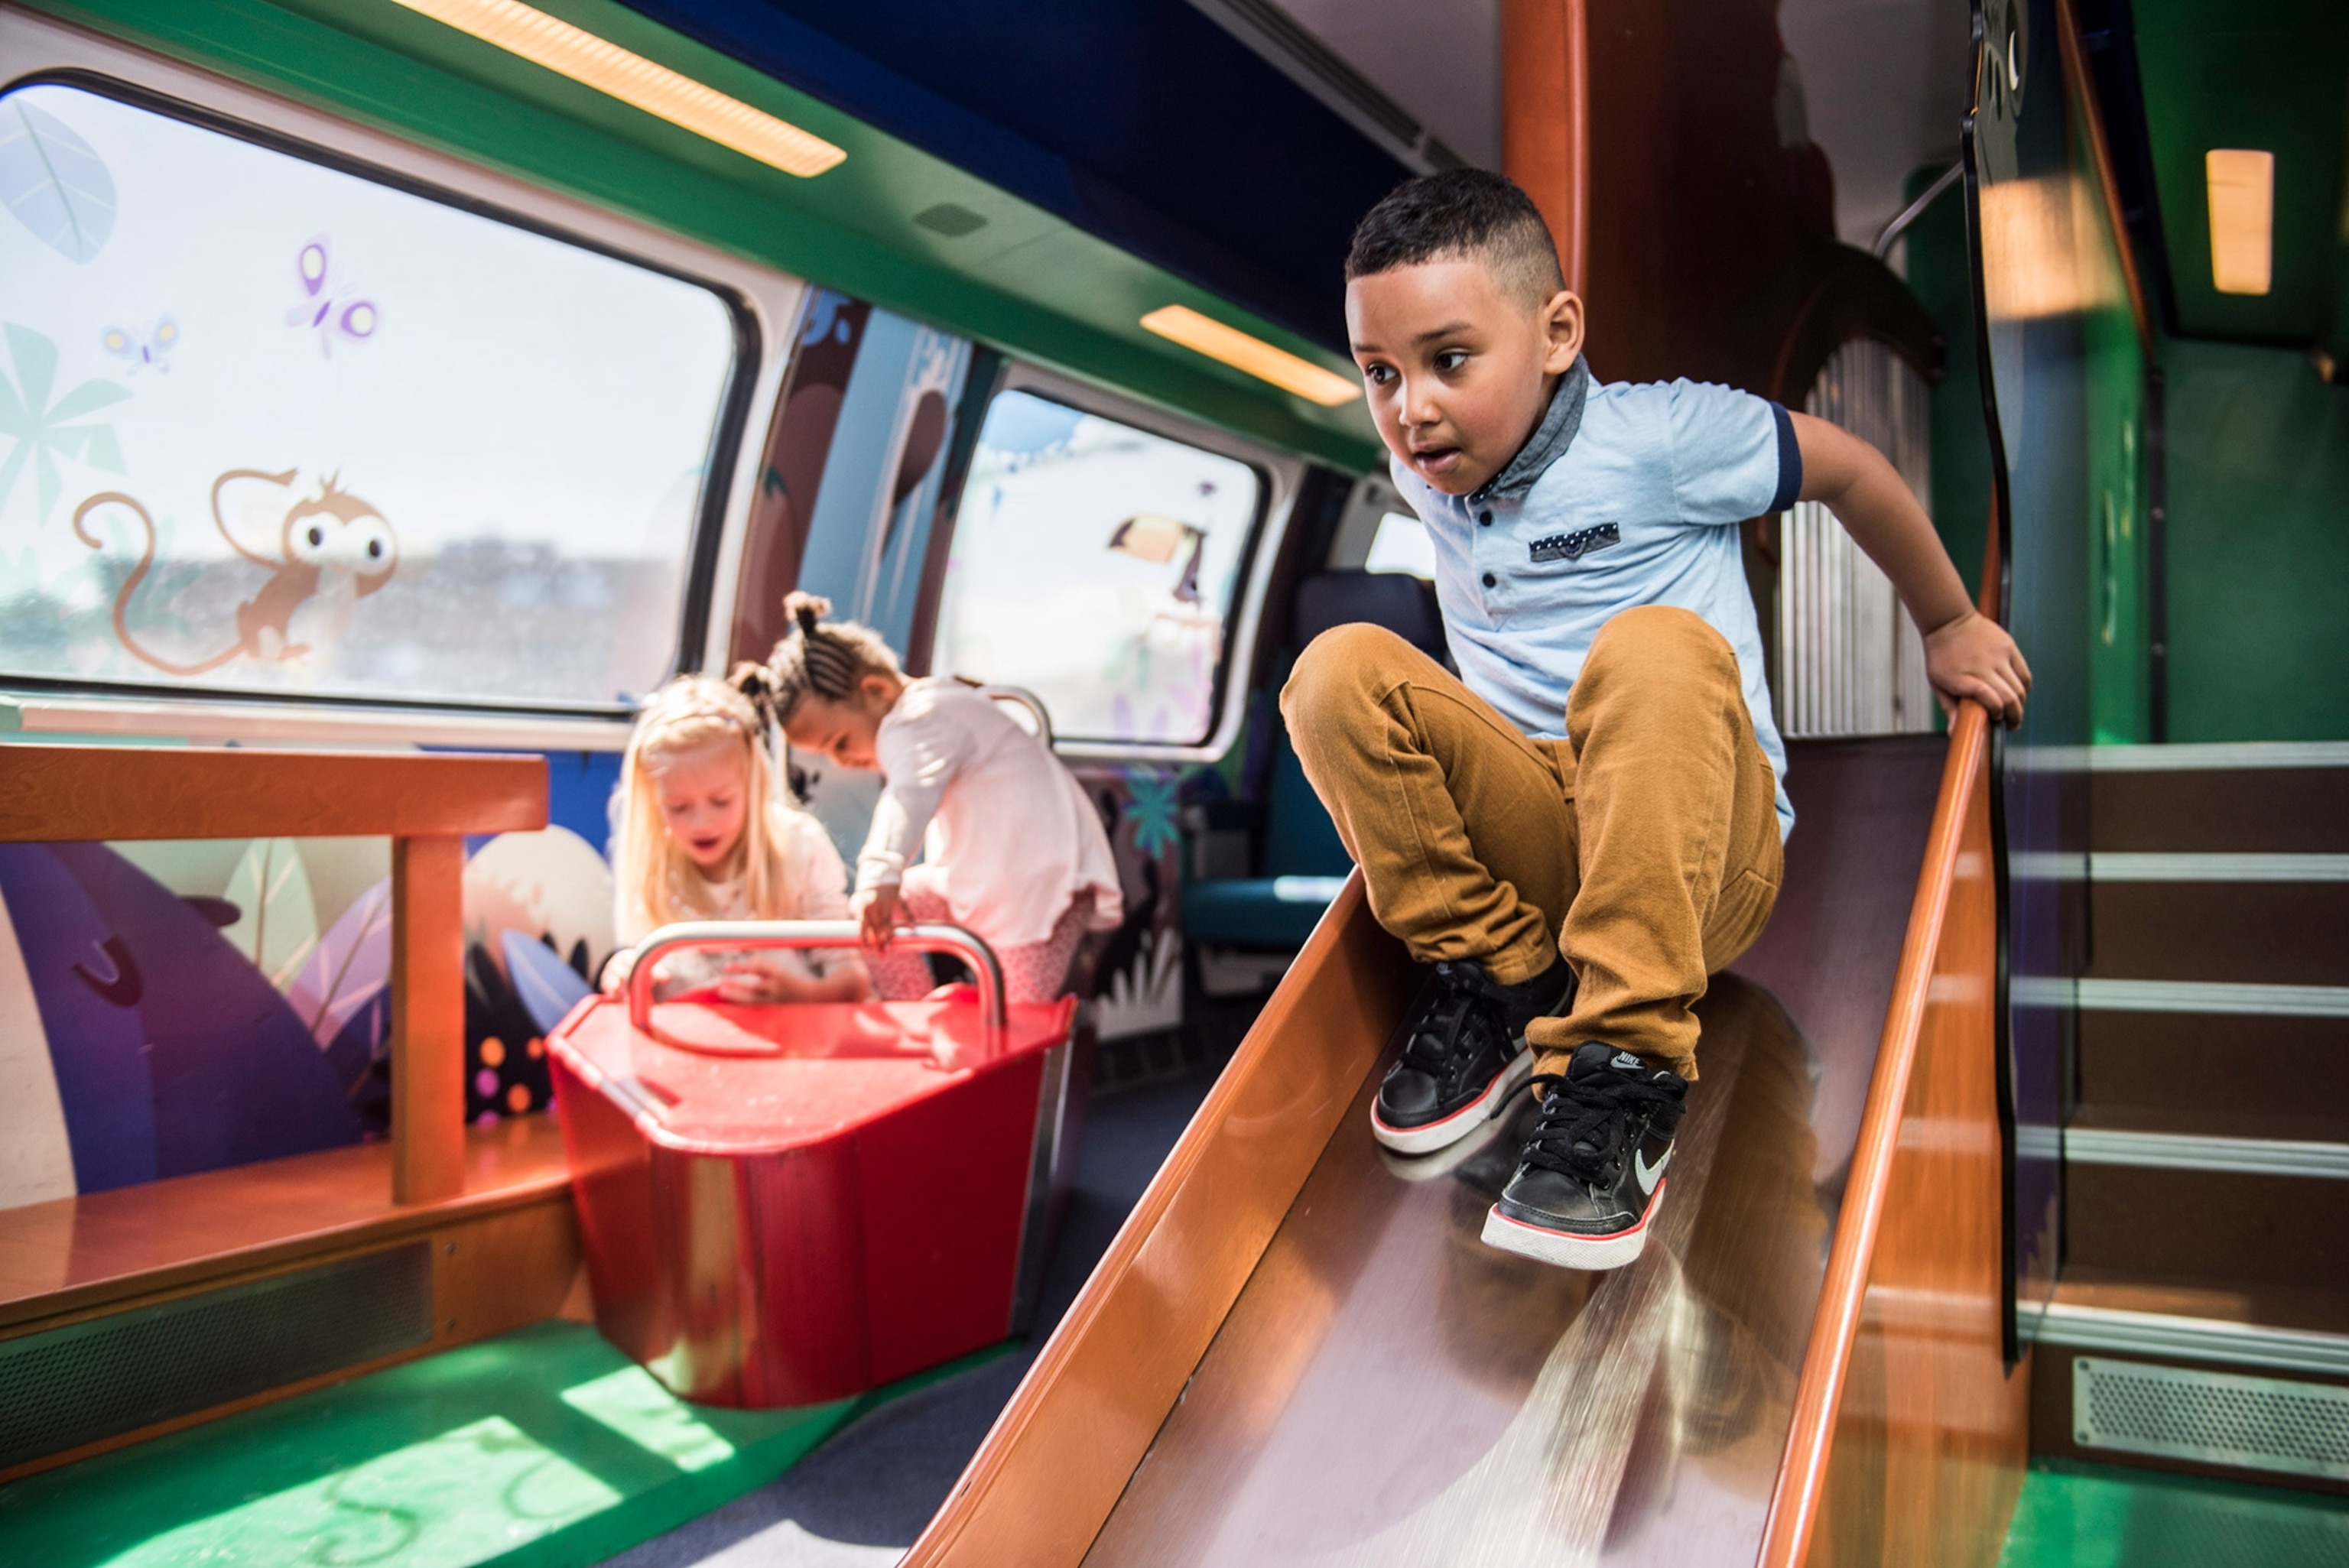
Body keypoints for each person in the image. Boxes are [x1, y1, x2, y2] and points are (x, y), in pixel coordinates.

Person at [1290, 170, 2029, 1270]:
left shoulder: (1668, 436)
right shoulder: (1427, 478)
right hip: (1547, 852)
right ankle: (1502, 976)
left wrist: (1951, 619)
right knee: (1334, 669)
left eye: (1449, 360)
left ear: (1556, 333)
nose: (1413, 408)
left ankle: (1626, 1072)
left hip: (1699, 860)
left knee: (1653, 642)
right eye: (1380, 373)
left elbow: (1853, 470)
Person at [751, 592, 1123, 1004]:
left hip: (1042, 882)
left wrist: (881, 872)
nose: (843, 761)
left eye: (841, 742)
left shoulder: (918, 718)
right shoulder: (940, 707)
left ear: (875, 690)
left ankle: (974, 1036)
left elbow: (907, 796)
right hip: (991, 879)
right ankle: (920, 1015)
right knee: (876, 917)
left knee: (1020, 1010)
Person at [602, 674, 869, 1004]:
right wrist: (626, 970)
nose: (701, 822)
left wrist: (799, 994)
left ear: (753, 785)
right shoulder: (653, 865)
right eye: (678, 806)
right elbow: (637, 958)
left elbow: (853, 981)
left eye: (721, 801)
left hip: (792, 1044)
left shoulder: (799, 846)